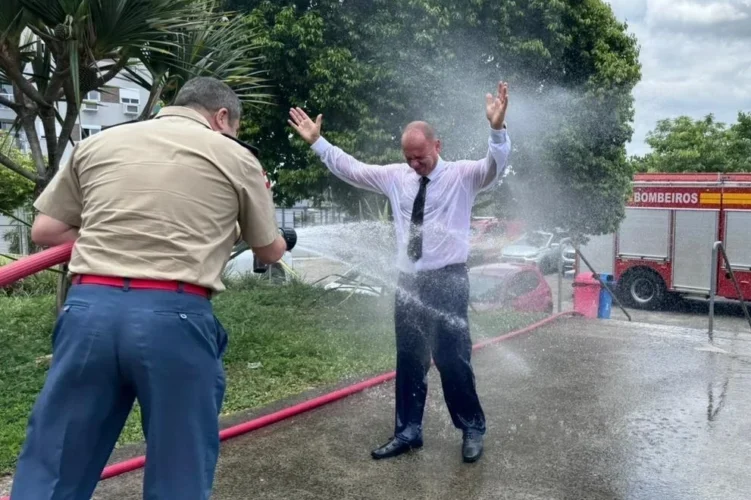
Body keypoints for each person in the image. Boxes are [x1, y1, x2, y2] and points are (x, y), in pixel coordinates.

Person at [11, 77, 293, 500]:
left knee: (56, 460)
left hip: (88, 310)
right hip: (173, 316)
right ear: (221, 117)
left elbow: (46, 230)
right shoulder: (235, 157)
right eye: (234, 127)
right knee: (179, 468)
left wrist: (118, 226)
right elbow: (268, 251)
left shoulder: (100, 143)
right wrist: (282, 238)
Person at [287, 81, 511, 464]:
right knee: (409, 359)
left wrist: (496, 129)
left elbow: (496, 165)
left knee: (453, 359)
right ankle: (408, 431)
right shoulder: (397, 177)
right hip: (409, 282)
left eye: (420, 157)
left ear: (437, 147)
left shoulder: (463, 175)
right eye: (408, 157)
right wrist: (318, 143)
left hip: (448, 280)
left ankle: (472, 427)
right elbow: (353, 170)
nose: (414, 164)